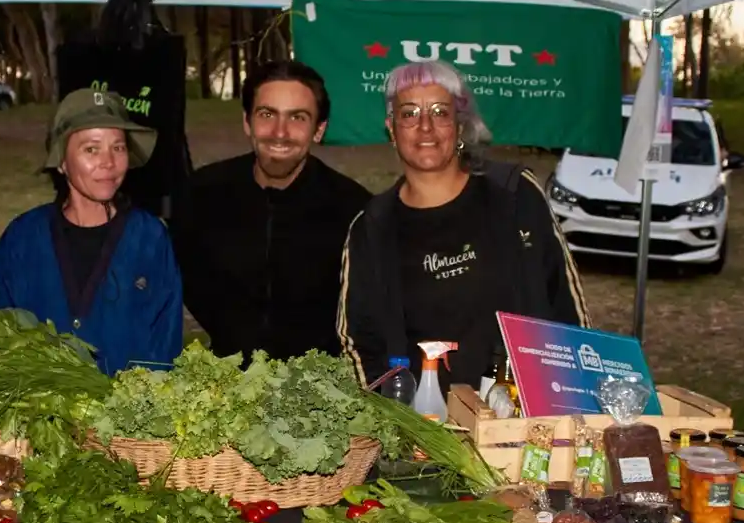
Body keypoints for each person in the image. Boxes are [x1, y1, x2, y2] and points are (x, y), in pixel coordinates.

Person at [337, 60, 589, 388]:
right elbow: (358, 340)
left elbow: (567, 306)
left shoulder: (514, 194)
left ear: (459, 125)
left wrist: (574, 396)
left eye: (440, 112)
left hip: (522, 418)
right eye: (409, 113)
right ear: (391, 128)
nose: (425, 126)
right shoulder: (371, 226)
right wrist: (393, 417)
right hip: (424, 426)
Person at [171, 61, 371, 361]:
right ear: (247, 122)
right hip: (226, 378)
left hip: (321, 385)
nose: (280, 133)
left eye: (297, 118)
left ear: (319, 130)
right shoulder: (202, 194)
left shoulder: (354, 209)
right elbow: (189, 280)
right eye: (267, 114)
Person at [0, 89, 183, 375]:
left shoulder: (150, 240)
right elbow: (5, 342)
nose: (108, 162)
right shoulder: (22, 241)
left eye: (118, 147)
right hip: (42, 415)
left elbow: (165, 348)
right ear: (62, 161)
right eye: (91, 149)